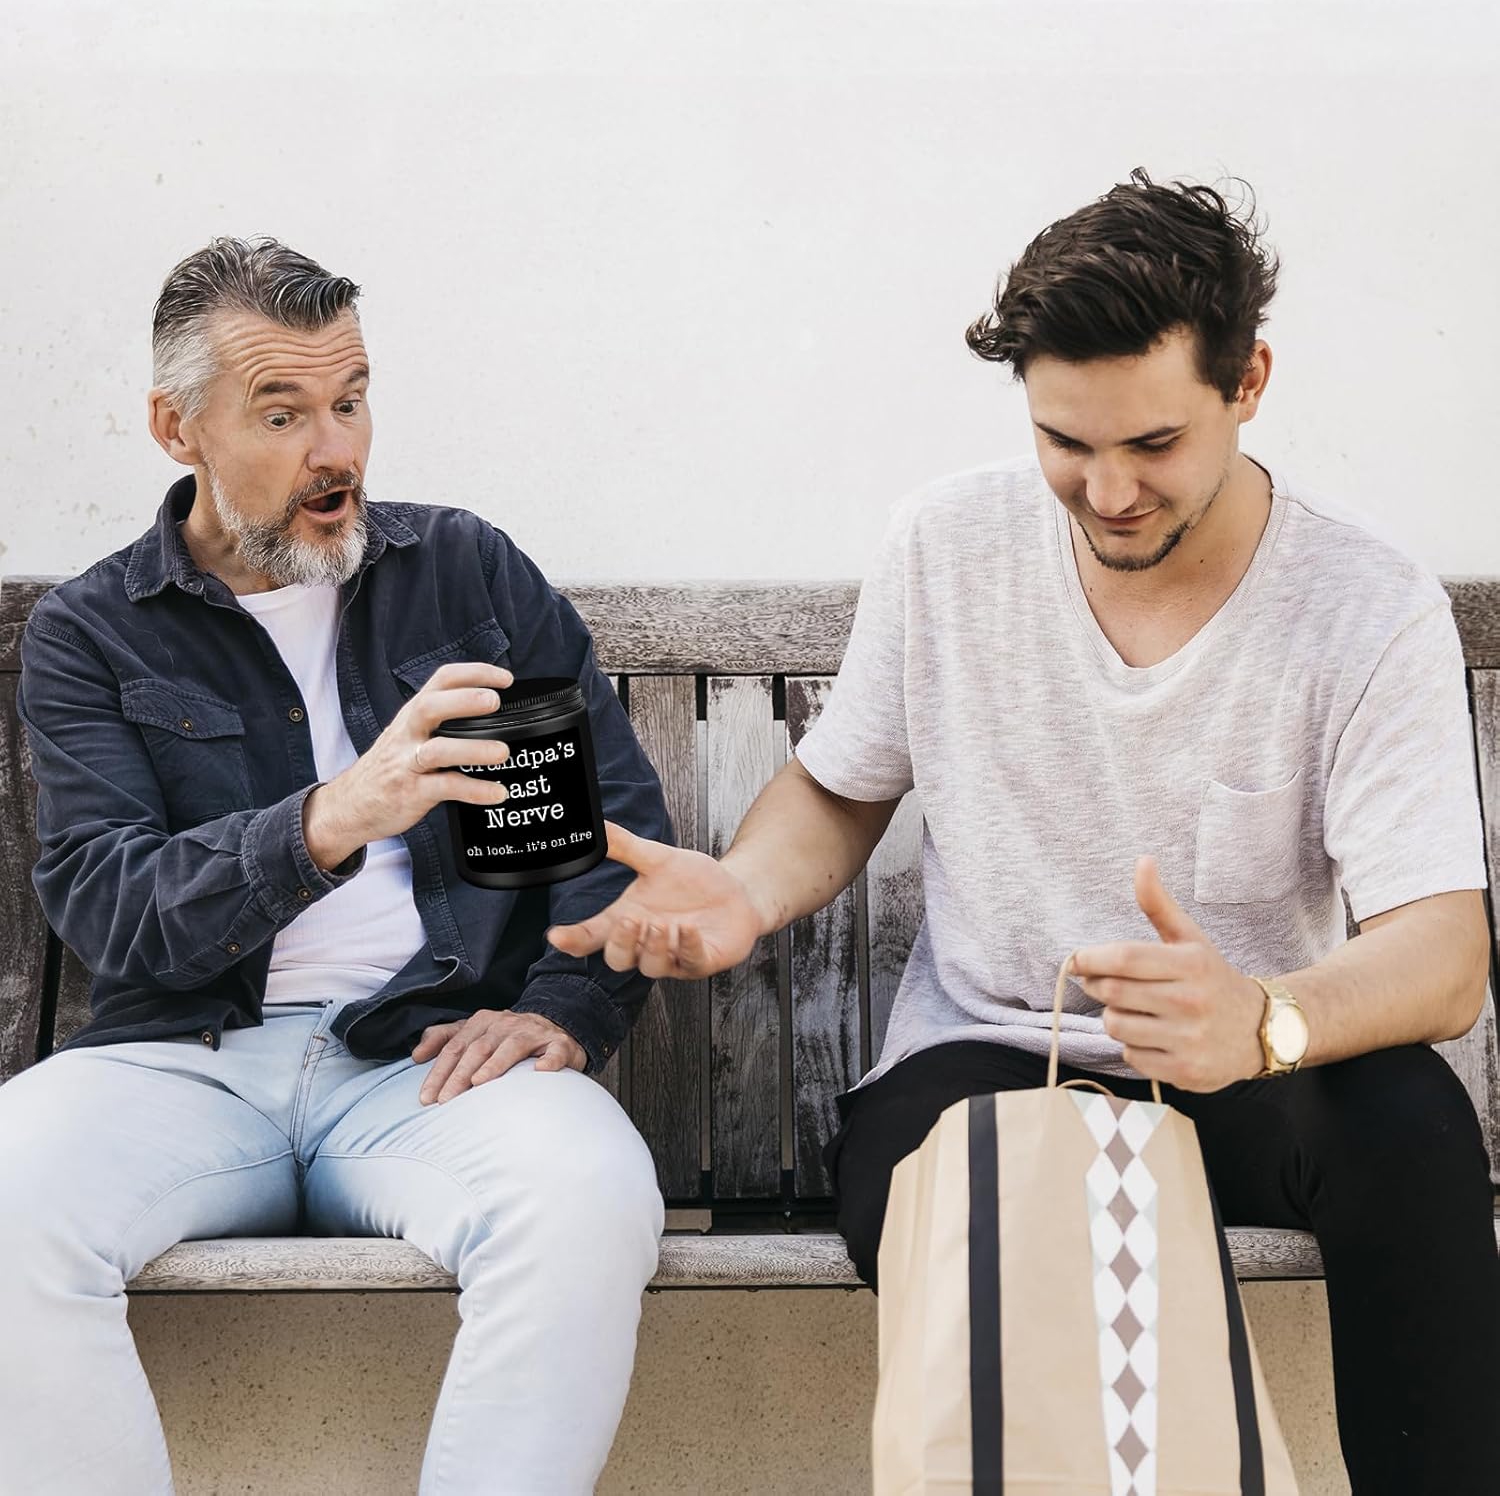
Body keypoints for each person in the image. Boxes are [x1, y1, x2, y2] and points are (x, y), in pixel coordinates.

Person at [547, 171, 1500, 1493]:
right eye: (1067, 443)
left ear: (1250, 382)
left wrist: (1266, 1022)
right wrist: (747, 894)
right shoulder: (950, 544)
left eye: (1153, 445)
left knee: (1412, 1132)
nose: (1106, 490)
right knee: (1012, 1188)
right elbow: (839, 791)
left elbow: (1444, 953)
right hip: (985, 1059)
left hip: (1233, 1058)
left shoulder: (1365, 605)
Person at [1, 238, 671, 1495]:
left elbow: (604, 844)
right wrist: (332, 818)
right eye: (284, 412)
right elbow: (111, 908)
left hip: (424, 1064)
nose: (338, 450)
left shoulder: (462, 574)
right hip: (183, 1067)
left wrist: (562, 1011)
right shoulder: (92, 634)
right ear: (176, 428)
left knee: (587, 1192)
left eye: (351, 400)